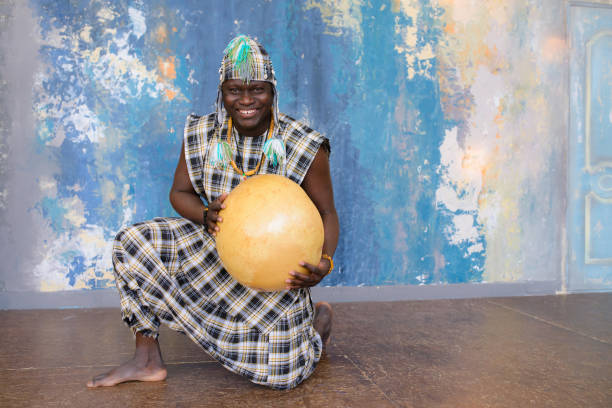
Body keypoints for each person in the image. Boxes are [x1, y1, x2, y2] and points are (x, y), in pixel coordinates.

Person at [86, 35, 339, 390]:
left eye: (258, 90)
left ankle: (312, 330)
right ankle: (146, 358)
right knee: (133, 243)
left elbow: (327, 212)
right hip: (215, 252)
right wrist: (206, 216)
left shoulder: (304, 144)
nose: (247, 100)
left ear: (273, 90)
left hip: (274, 276)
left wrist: (324, 261)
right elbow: (179, 193)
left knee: (284, 376)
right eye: (235, 90)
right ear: (222, 90)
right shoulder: (203, 134)